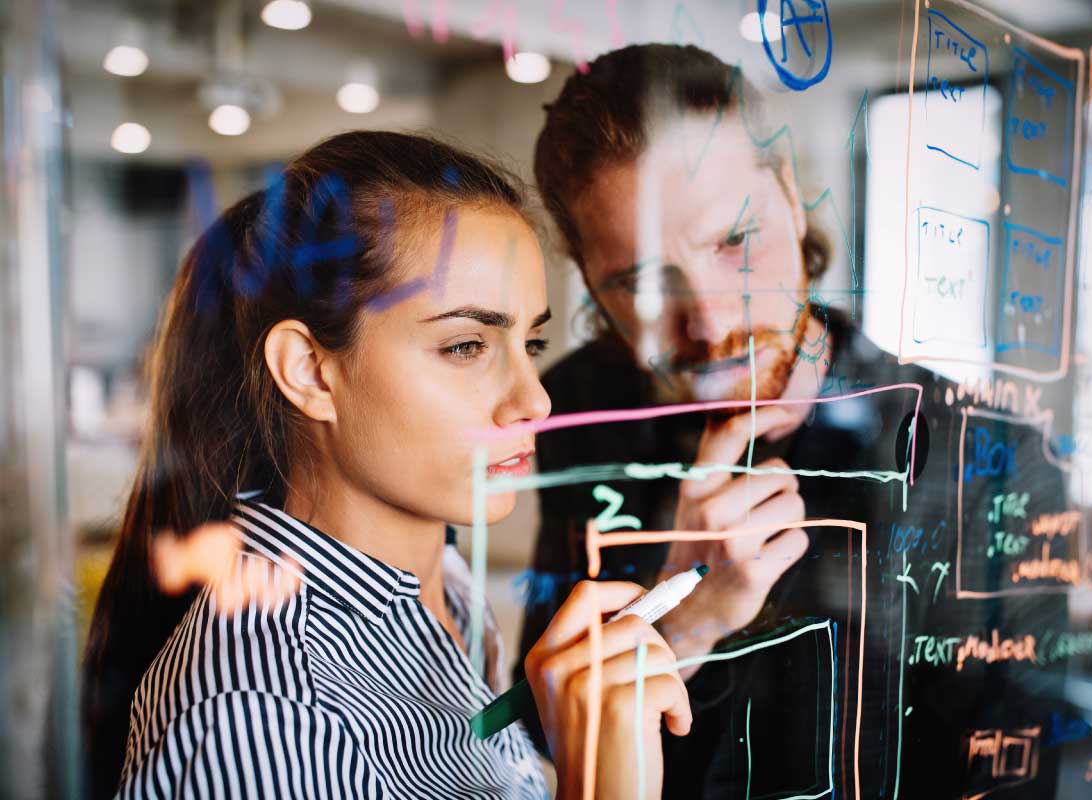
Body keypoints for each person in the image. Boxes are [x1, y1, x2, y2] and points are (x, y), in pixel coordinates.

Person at [518, 44, 1068, 799]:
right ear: (591, 286)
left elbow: (1014, 776)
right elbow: (542, 736)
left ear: (788, 193)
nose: (710, 324)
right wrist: (682, 625)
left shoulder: (986, 451)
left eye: (735, 242)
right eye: (643, 284)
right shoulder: (574, 412)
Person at [82, 130, 693, 800]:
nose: (535, 399)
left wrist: (699, 619)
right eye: (465, 346)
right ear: (311, 371)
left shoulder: (448, 591)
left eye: (531, 341)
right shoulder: (264, 714)